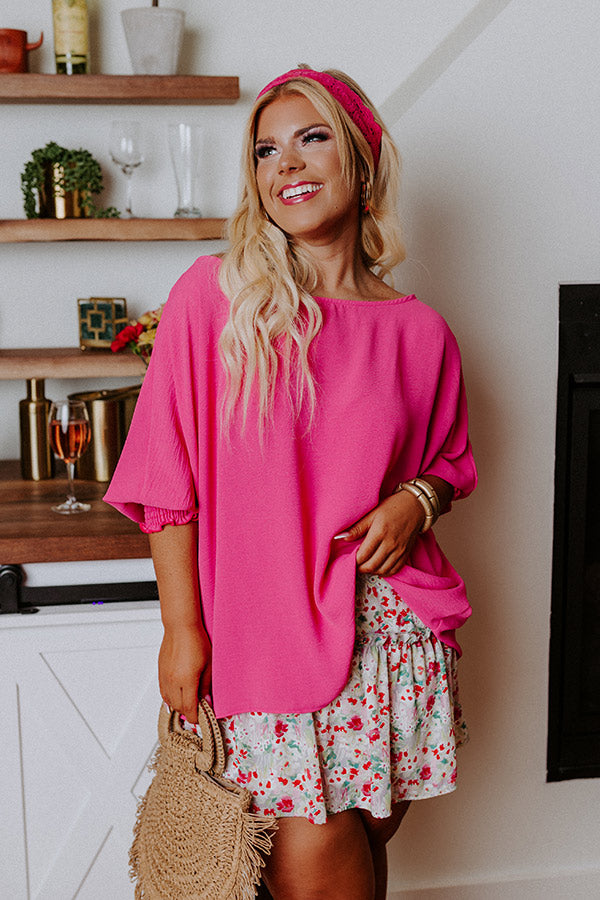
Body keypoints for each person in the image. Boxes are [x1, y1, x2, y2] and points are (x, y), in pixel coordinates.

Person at [105, 66, 477, 900]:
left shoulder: (420, 330)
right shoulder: (215, 298)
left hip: (391, 639)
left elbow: (448, 462)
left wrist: (416, 501)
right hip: (261, 639)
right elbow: (166, 479)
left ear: (363, 163)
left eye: (312, 138)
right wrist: (180, 628)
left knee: (358, 859)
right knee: (315, 860)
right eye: (266, 150)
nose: (287, 164)